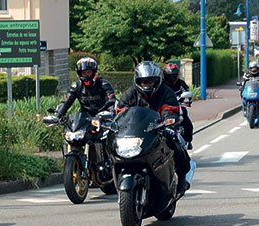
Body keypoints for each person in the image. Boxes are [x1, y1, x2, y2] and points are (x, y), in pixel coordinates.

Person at [117, 61, 192, 193]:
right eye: (144, 82)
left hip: (158, 129)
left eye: (151, 81)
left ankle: (181, 178)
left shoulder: (165, 92)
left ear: (157, 80)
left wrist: (168, 119)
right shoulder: (130, 94)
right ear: (138, 81)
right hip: (136, 132)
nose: (147, 85)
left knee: (176, 142)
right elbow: (121, 112)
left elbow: (170, 109)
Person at [49, 57, 116, 119]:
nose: (86, 75)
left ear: (94, 72)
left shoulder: (103, 84)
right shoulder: (76, 86)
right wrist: (57, 116)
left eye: (89, 72)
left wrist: (111, 113)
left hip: (103, 120)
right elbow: (66, 103)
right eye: (84, 73)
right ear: (79, 74)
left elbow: (111, 101)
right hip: (84, 120)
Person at [161, 62, 194, 146]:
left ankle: (188, 140)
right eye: (169, 76)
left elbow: (187, 92)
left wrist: (186, 99)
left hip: (178, 106)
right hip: (164, 107)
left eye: (173, 75)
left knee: (187, 122)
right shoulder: (161, 85)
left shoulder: (180, 83)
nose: (171, 78)